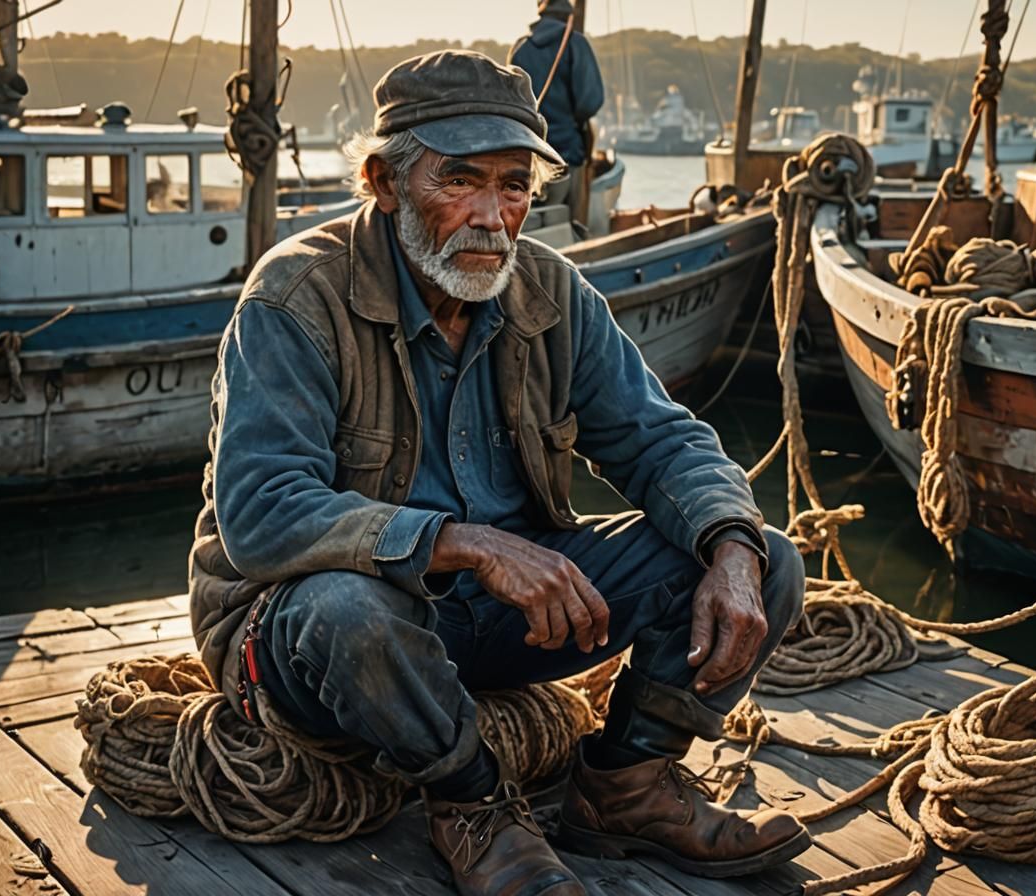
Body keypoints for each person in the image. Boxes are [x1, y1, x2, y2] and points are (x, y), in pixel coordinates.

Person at [189, 49, 808, 896]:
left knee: (762, 556)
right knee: (349, 609)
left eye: (514, 186)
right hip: (321, 634)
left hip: (509, 621)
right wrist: (467, 544)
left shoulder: (550, 292)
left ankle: (626, 786)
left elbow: (662, 441)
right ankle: (473, 805)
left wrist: (732, 547)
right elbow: (263, 512)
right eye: (461, 181)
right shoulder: (297, 296)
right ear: (383, 182)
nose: (492, 216)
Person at [508, 0, 603, 227]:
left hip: (528, 152)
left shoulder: (520, 48)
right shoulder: (575, 43)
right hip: (568, 152)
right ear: (568, 14)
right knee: (570, 223)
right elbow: (590, 102)